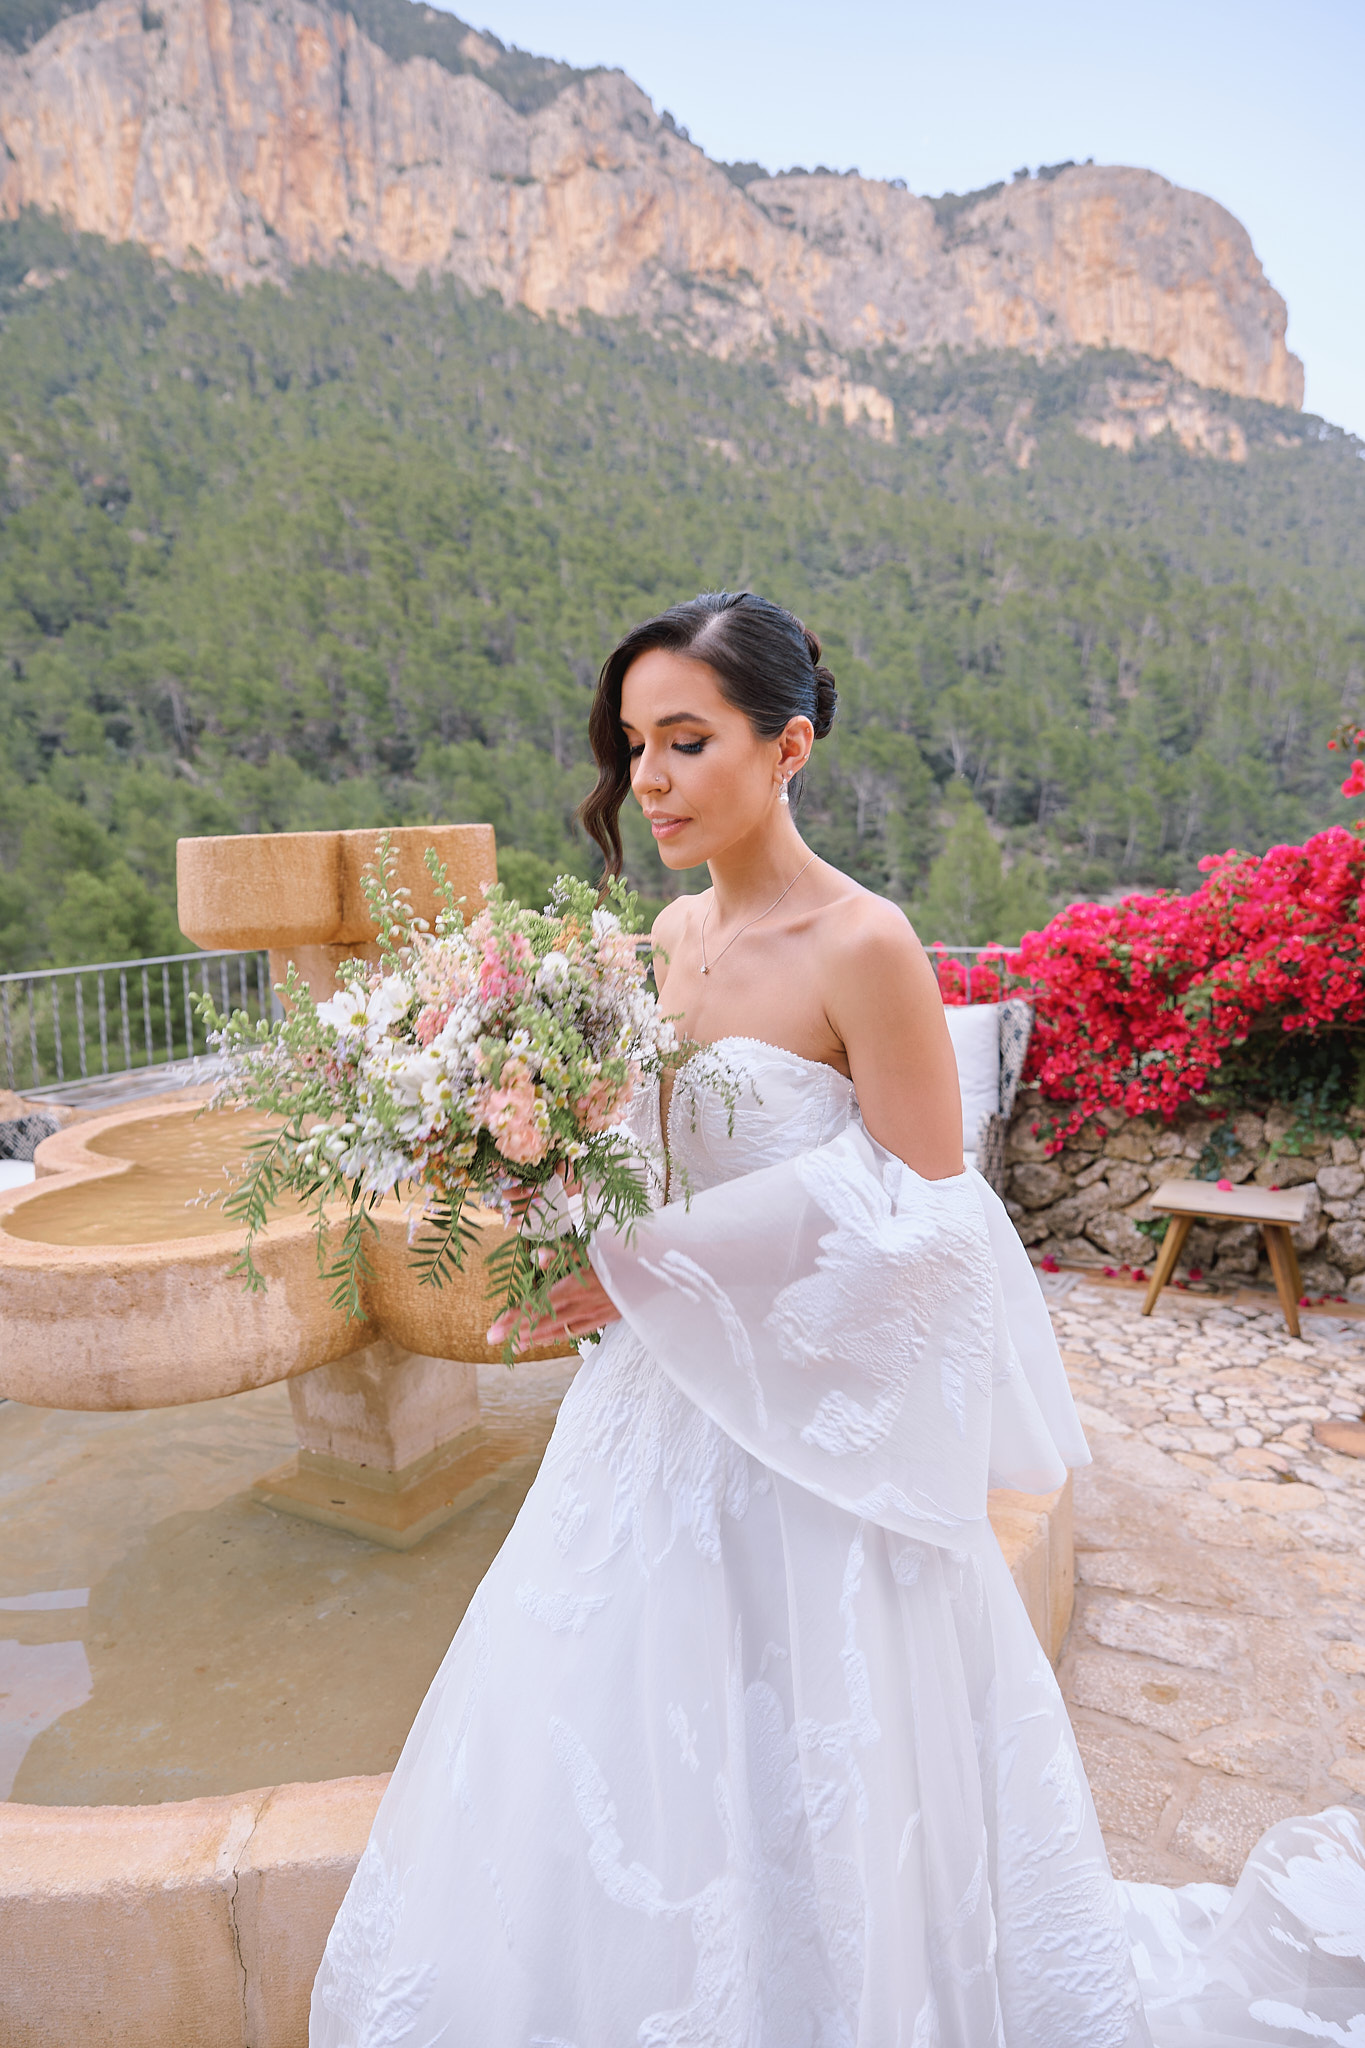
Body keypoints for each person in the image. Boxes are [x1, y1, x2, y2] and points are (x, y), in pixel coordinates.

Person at [311, 592, 1365, 2047]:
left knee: (820, 1746)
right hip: (655, 1409)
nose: (649, 780)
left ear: (788, 745)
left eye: (687, 741)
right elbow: (653, 1155)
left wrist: (659, 1265)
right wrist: (543, 1174)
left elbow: (927, 1210)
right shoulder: (666, 934)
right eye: (634, 745)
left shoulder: (864, 943)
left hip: (810, 1446)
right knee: (625, 1741)